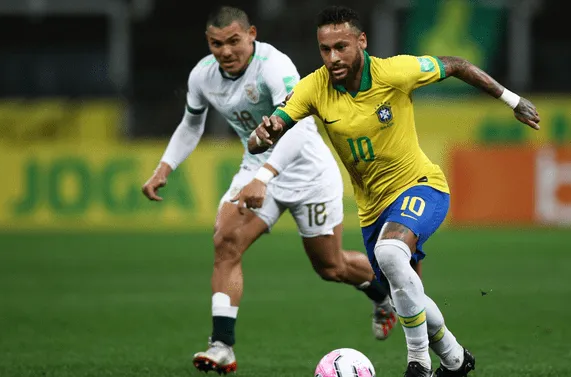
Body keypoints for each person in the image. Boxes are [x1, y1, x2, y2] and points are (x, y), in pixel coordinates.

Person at [246, 5, 540, 377]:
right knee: (407, 289)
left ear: (361, 42)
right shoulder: (313, 87)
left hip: (422, 186)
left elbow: (458, 64)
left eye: (341, 46)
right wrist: (263, 134)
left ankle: (418, 363)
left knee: (390, 253)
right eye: (325, 49)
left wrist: (512, 101)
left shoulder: (394, 72)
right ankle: (455, 359)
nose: (333, 58)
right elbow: (266, 136)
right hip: (372, 212)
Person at [140, 6, 396, 375]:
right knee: (226, 240)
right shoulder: (203, 76)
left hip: (307, 171)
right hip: (257, 171)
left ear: (251, 34)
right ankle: (222, 346)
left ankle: (382, 292)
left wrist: (265, 175)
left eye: (233, 41)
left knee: (331, 266)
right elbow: (191, 125)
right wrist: (164, 167)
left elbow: (299, 126)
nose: (226, 51)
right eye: (216, 44)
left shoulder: (275, 67)